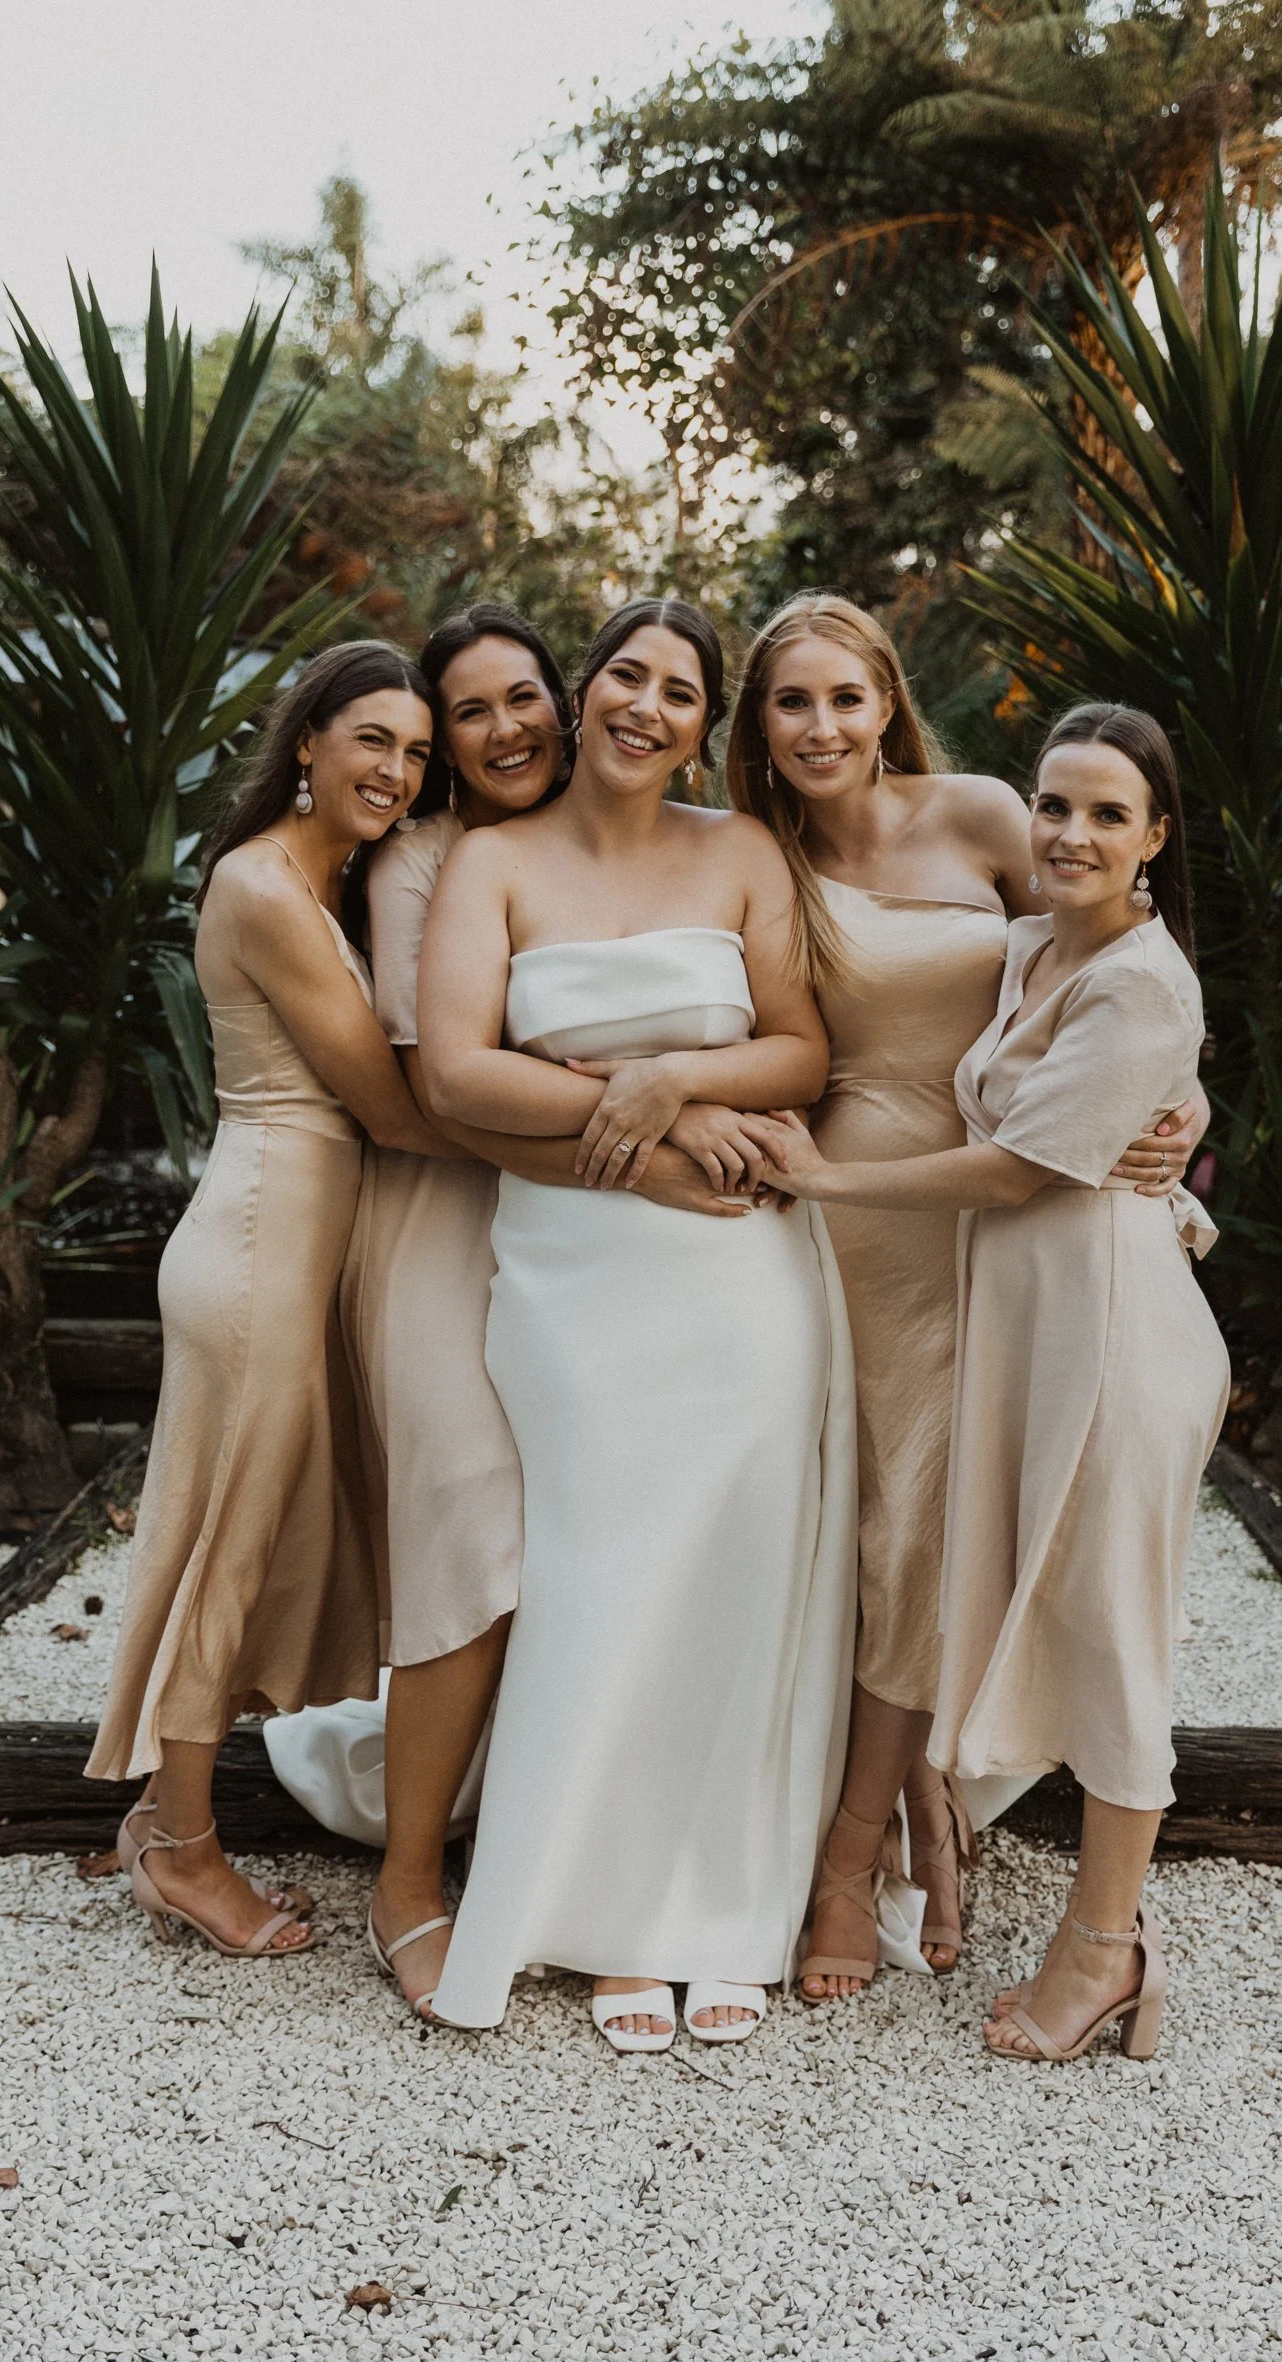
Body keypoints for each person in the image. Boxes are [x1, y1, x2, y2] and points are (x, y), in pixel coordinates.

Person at [266, 604, 753, 2016]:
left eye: (523, 695)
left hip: (582, 1231)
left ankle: (568, 1839)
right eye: (469, 711)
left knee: (596, 1528)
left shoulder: (642, 844)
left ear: (566, 697)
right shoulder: (428, 862)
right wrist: (660, 1136)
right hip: (445, 1214)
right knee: (473, 1519)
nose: (507, 728)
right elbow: (436, 1098)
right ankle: (410, 1878)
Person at [725, 596, 1207, 2000]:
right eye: (792, 702)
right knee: (862, 1525)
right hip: (844, 1223)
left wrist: (1183, 1114)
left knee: (936, 1527)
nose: (823, 727)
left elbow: (1122, 985)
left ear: (890, 702)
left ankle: (870, 1844)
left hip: (996, 1220)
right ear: (759, 725)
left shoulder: (996, 811)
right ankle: (891, 1806)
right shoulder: (750, 853)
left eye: (847, 697)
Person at [416, 598, 856, 2052]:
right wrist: (649, 1126)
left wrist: (678, 1076)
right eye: (625, 675)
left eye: (678, 690)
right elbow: (457, 1077)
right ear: (581, 689)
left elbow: (802, 1049)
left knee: (734, 1572)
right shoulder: (492, 863)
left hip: (741, 1268)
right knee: (600, 1569)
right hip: (571, 1265)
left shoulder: (743, 853)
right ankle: (603, 1917)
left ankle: (722, 1906)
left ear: (701, 725)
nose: (644, 706)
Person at [86, 642, 448, 1958]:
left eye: (416, 753)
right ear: (307, 741)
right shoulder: (265, 887)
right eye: (373, 741)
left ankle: (157, 1814)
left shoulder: (332, 879)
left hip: (296, 1248)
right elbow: (391, 1110)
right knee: (228, 1547)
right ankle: (184, 1851)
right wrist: (594, 1132)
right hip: (257, 1247)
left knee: (250, 1537)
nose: (395, 772)